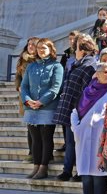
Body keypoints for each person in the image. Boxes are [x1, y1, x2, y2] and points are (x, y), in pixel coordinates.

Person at [71, 62, 107, 194]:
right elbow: (75, 111)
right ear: (97, 73)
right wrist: (76, 126)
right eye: (106, 72)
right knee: (86, 174)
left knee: (98, 173)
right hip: (83, 135)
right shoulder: (87, 90)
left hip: (100, 135)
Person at [53, 34, 98, 181]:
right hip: (70, 108)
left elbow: (87, 91)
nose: (74, 49)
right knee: (70, 142)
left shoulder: (89, 65)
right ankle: (67, 170)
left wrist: (80, 110)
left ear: (83, 49)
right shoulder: (76, 63)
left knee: (78, 143)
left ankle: (80, 171)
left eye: (76, 46)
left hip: (80, 111)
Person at [21, 38, 64, 180]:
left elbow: (55, 88)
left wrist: (41, 102)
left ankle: (43, 167)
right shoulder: (31, 67)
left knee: (46, 138)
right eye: (39, 47)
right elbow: (24, 86)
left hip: (48, 107)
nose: (40, 50)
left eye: (44, 48)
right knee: (35, 139)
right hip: (31, 108)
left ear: (51, 50)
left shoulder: (56, 66)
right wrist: (27, 100)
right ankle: (36, 165)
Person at [15, 37, 39, 163]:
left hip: (38, 97)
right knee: (30, 127)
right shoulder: (22, 60)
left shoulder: (40, 60)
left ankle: (41, 153)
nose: (30, 47)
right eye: (29, 44)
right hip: (24, 97)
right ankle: (31, 152)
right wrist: (18, 86)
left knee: (39, 128)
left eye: (33, 45)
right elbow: (18, 76)